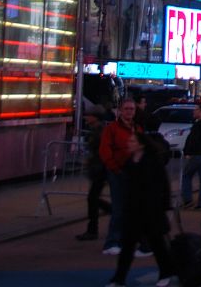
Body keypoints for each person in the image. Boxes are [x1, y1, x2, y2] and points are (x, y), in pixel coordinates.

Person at [105, 132, 176, 287]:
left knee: (157, 244)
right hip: (134, 210)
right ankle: (119, 278)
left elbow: (163, 185)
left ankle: (165, 272)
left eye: (132, 141)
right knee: (129, 245)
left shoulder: (152, 162)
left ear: (141, 144)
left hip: (151, 209)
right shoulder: (130, 162)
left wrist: (165, 206)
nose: (129, 143)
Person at [98, 98, 138, 255]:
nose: (129, 112)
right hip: (118, 171)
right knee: (119, 207)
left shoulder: (136, 128)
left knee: (129, 208)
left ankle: (123, 240)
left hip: (132, 172)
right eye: (127, 109)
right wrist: (114, 167)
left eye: (132, 109)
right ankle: (112, 242)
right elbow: (105, 150)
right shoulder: (112, 129)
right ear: (120, 111)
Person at [77, 110, 113, 241]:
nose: (86, 118)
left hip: (101, 169)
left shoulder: (100, 131)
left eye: (89, 115)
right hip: (99, 168)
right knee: (93, 198)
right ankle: (93, 228)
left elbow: (102, 149)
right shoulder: (97, 130)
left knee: (92, 198)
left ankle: (93, 229)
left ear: (95, 117)